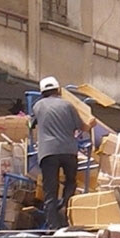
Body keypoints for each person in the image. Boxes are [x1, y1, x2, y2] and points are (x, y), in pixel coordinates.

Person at [31, 76, 94, 229]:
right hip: (69, 152)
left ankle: (53, 226)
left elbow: (31, 124)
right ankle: (66, 208)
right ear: (58, 90)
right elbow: (82, 128)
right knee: (70, 182)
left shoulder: (37, 106)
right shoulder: (68, 105)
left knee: (50, 190)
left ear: (42, 92)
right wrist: (92, 124)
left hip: (48, 153)